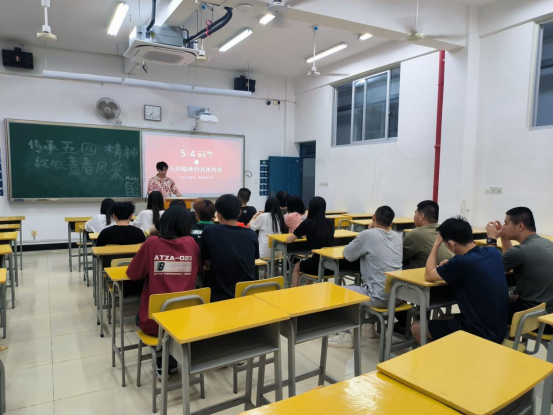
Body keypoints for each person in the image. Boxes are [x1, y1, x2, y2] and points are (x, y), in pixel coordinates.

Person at [127, 206, 201, 378]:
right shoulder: (192, 244)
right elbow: (198, 270)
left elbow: (133, 274)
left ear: (163, 223)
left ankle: (162, 357)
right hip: (185, 321)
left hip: (155, 323)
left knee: (140, 314)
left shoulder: (151, 243)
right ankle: (171, 356)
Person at [412, 217, 508, 345]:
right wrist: (451, 265)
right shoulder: (493, 253)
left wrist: (436, 244)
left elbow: (429, 274)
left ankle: (445, 357)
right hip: (498, 329)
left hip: (480, 333)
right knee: (442, 317)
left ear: (451, 244)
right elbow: (490, 246)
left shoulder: (461, 262)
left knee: (417, 327)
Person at [329, 206, 403, 348]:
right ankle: (369, 328)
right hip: (398, 295)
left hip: (378, 297)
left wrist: (368, 232)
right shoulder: (397, 236)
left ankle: (345, 336)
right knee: (372, 284)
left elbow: (348, 254)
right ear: (391, 223)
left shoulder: (367, 235)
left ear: (373, 218)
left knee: (337, 291)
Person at [486, 207, 553, 332]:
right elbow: (509, 257)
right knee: (508, 297)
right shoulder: (547, 243)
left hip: (536, 320)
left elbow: (488, 268)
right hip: (549, 315)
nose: (503, 227)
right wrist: (504, 237)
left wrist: (491, 239)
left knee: (482, 305)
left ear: (520, 226)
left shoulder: (521, 251)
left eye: (506, 223)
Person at [201, 194, 259, 302]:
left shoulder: (209, 231)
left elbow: (206, 262)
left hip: (218, 297)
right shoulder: (251, 234)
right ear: (239, 213)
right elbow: (253, 259)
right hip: (246, 295)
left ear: (218, 215)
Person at [288, 197, 335, 287]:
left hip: (317, 266)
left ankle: (294, 292)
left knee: (297, 266)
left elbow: (289, 240)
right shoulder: (330, 222)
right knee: (309, 261)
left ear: (311, 208)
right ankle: (308, 290)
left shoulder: (307, 223)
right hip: (331, 265)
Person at [403, 200, 453, 269]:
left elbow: (397, 256)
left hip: (428, 273)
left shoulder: (416, 234)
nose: (414, 216)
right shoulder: (446, 229)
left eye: (415, 213)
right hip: (452, 271)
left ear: (422, 216)